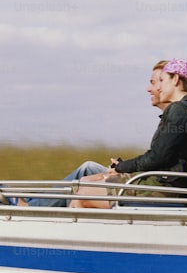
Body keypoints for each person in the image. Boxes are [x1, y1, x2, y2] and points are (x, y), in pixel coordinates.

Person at [69, 58, 187, 208]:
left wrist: (121, 167)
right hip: (174, 185)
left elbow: (157, 157)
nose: (159, 88)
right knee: (85, 183)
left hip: (164, 187)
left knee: (82, 194)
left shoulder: (179, 109)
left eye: (162, 80)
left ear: (176, 80)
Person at [25, 60, 171, 207]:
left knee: (85, 178)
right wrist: (122, 166)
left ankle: (34, 207)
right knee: (87, 168)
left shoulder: (177, 117)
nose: (148, 88)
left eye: (154, 82)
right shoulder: (170, 117)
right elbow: (156, 159)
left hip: (146, 181)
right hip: (142, 176)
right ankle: (37, 202)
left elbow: (156, 161)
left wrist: (124, 168)